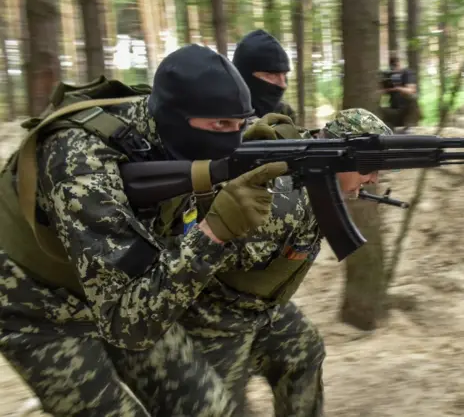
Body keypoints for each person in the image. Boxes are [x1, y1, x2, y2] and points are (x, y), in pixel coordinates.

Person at [0, 44, 288, 416]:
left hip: (130, 286)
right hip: (37, 304)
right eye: (220, 125)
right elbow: (126, 323)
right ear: (175, 116)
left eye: (240, 124)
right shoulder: (81, 161)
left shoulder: (174, 136)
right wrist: (214, 233)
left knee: (210, 409)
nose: (232, 140)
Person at [181, 108, 393, 417]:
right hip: (215, 313)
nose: (373, 179)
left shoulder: (315, 178)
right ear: (340, 156)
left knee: (304, 351)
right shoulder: (283, 198)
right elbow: (202, 263)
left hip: (264, 307)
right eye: (369, 168)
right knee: (221, 407)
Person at [232, 29, 298, 123]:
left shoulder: (284, 114)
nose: (283, 85)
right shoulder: (219, 118)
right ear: (243, 77)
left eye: (284, 74)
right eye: (271, 75)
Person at [379, 54, 422, 133]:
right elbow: (380, 92)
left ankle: (409, 126)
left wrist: (397, 88)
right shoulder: (388, 75)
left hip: (407, 112)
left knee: (412, 98)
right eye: (392, 64)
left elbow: (411, 90)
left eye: (395, 63)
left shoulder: (407, 73)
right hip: (394, 110)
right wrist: (386, 87)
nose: (394, 67)